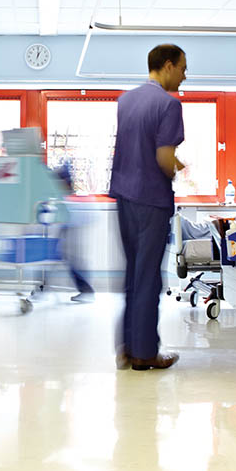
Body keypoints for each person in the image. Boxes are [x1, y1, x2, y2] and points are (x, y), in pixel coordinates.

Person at [109, 44, 187, 371]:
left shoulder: (126, 101)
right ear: (168, 66)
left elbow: (137, 147)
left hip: (124, 196)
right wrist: (177, 169)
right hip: (151, 200)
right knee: (149, 278)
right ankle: (144, 353)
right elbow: (163, 158)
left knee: (133, 274)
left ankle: (127, 348)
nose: (184, 76)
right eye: (182, 69)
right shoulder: (168, 104)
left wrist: (172, 161)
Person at [54, 162, 95, 303]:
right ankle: (86, 291)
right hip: (68, 231)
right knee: (65, 259)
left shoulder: (68, 199)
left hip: (70, 231)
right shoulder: (67, 197)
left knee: (69, 260)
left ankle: (87, 291)